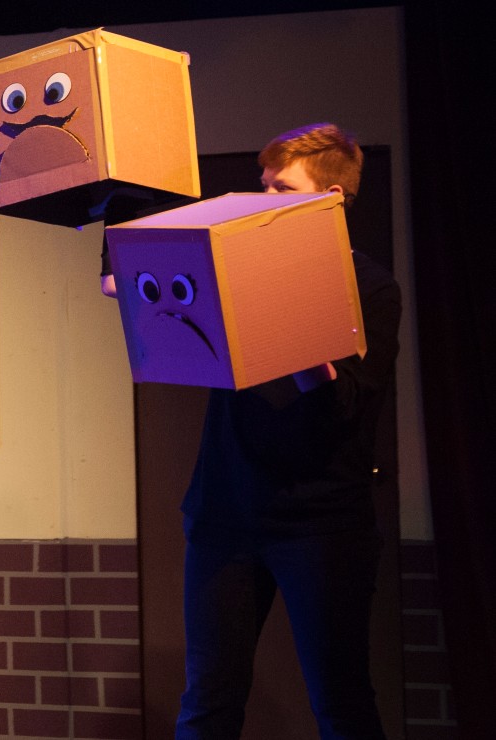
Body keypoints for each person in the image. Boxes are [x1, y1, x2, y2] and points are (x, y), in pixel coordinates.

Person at [104, 123, 401, 739]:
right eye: (262, 186)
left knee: (340, 702)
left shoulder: (371, 287)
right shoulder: (232, 268)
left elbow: (347, 403)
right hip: (225, 515)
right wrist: (114, 206)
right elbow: (125, 285)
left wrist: (290, 319)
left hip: (321, 524)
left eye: (281, 189)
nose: (262, 200)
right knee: (208, 701)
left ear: (329, 201)